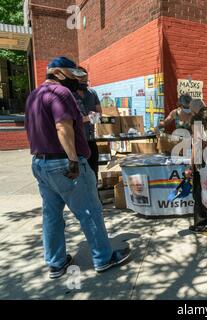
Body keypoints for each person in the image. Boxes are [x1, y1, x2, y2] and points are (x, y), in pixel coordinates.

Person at [25, 57, 131, 279]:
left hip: (41, 163)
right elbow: (63, 127)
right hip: (65, 164)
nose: (77, 81)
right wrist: (73, 159)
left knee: (51, 215)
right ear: (61, 73)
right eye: (74, 75)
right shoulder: (60, 93)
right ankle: (103, 258)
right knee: (90, 212)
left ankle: (56, 263)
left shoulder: (34, 95)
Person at [185, 99, 207, 235]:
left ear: (194, 110)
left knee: (199, 191)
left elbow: (196, 144)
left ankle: (201, 224)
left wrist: (190, 166)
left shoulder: (197, 119)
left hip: (202, 161)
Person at [73, 67, 102, 182]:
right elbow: (69, 120)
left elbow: (99, 113)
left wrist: (96, 116)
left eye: (86, 80)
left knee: (93, 170)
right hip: (76, 142)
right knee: (80, 175)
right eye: (82, 80)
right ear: (74, 78)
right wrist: (88, 118)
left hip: (90, 139)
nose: (84, 82)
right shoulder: (69, 95)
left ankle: (95, 196)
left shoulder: (92, 93)